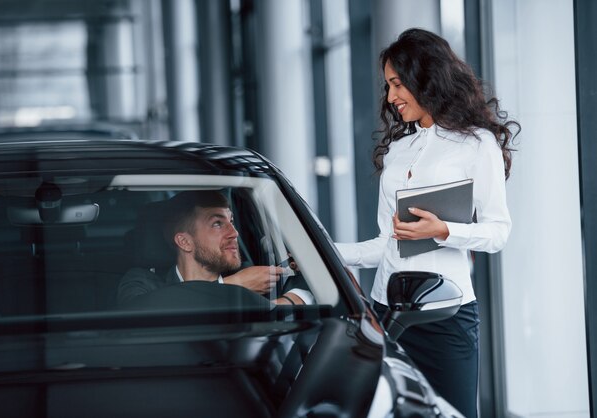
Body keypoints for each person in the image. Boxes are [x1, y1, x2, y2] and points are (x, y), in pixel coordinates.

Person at [335, 28, 520, 417]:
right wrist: (325, 252)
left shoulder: (476, 144)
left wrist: (444, 230)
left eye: (398, 84)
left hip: (446, 318)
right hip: (387, 313)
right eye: (388, 86)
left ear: (427, 76)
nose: (391, 98)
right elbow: (386, 243)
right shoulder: (399, 151)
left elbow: (498, 232)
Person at [117, 190, 311, 307]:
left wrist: (290, 297)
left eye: (232, 221)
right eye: (217, 224)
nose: (234, 233)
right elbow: (139, 311)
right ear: (184, 242)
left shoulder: (253, 275)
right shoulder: (144, 281)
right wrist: (232, 287)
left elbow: (320, 289)